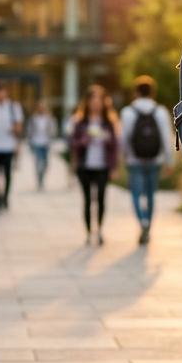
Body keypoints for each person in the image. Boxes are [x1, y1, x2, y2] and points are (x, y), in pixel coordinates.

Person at [119, 75, 173, 244]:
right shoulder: (160, 111)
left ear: (136, 92)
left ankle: (141, 221)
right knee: (150, 195)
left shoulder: (127, 112)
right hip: (155, 159)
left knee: (135, 194)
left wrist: (124, 157)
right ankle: (148, 225)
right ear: (152, 93)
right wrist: (169, 161)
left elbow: (124, 138)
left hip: (134, 161)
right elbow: (166, 137)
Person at [68, 85, 119, 246]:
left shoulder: (109, 122)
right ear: (87, 102)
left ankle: (100, 230)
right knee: (88, 200)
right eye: (93, 100)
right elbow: (72, 143)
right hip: (85, 166)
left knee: (102, 199)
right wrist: (83, 141)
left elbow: (115, 145)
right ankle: (89, 232)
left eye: (99, 100)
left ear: (104, 102)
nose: (96, 103)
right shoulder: (80, 121)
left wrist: (114, 166)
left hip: (103, 166)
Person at [0, 81, 24, 214]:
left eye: (2, 91)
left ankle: (5, 198)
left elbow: (19, 127)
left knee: (7, 175)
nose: (0, 94)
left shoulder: (14, 107)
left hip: (8, 146)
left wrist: (14, 129)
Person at [26, 100, 58, 191]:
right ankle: (39, 180)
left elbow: (53, 129)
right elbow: (29, 131)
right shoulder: (33, 118)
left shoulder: (49, 118)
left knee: (46, 163)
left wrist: (51, 137)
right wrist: (30, 141)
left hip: (46, 143)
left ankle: (42, 177)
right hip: (36, 143)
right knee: (38, 162)